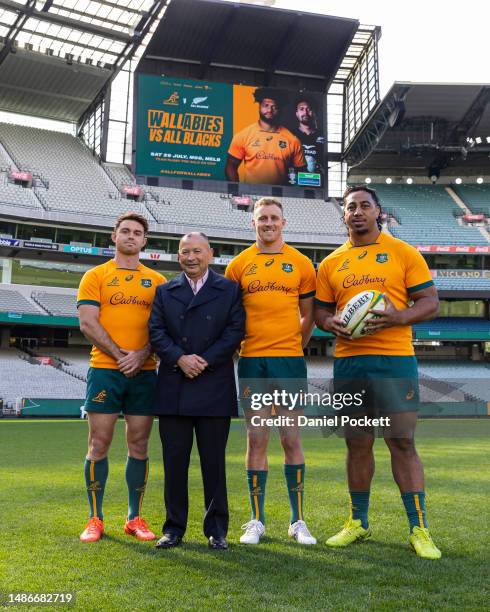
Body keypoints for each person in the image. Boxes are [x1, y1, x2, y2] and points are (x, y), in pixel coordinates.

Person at [314, 185, 442, 559]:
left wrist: (399, 317)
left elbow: (430, 302)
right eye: (350, 206)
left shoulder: (403, 253)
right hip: (350, 362)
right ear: (344, 215)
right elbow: (322, 312)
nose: (356, 212)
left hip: (394, 360)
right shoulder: (331, 263)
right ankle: (358, 522)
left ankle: (419, 528)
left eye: (364, 206)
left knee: (401, 442)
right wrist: (329, 322)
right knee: (357, 443)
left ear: (377, 212)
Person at [225, 197, 317, 545]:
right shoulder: (238, 265)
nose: (268, 223)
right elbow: (232, 317)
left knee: (291, 438)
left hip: (289, 362)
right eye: (262, 218)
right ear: (253, 224)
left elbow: (307, 316)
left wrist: (295, 345)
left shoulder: (301, 264)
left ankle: (297, 521)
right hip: (252, 362)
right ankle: (256, 520)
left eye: (273, 218)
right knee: (257, 438)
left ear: (283, 222)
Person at [149, 232, 245, 550]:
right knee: (174, 464)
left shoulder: (229, 289)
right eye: (184, 252)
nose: (190, 257)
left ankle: (216, 530)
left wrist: (204, 361)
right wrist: (180, 358)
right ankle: (173, 528)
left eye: (197, 251)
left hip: (213, 384)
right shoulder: (165, 291)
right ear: (178, 256)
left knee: (214, 464)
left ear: (210, 254)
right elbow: (156, 331)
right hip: (174, 385)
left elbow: (235, 331)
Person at [77, 212, 166, 543]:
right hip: (104, 373)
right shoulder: (96, 276)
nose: (130, 236)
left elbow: (163, 329)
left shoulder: (157, 281)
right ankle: (95, 518)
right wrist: (120, 356)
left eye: (137, 232)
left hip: (144, 374)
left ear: (144, 241)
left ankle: (134, 517)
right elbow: (87, 323)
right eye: (125, 231)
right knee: (98, 443)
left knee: (139, 444)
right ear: (114, 236)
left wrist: (141, 356)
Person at [225, 87, 306, 186]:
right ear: (259, 106)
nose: (269, 110)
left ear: (279, 109)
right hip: (251, 194)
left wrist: (292, 195)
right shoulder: (243, 135)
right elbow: (231, 165)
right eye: (266, 105)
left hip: (280, 196)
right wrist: (237, 190)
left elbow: (302, 172)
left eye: (274, 107)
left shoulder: (292, 140)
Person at [293, 97, 325, 177]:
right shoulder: (290, 135)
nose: (305, 112)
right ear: (297, 113)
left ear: (313, 112)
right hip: (294, 181)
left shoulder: (323, 135)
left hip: (316, 181)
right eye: (302, 109)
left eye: (308, 109)